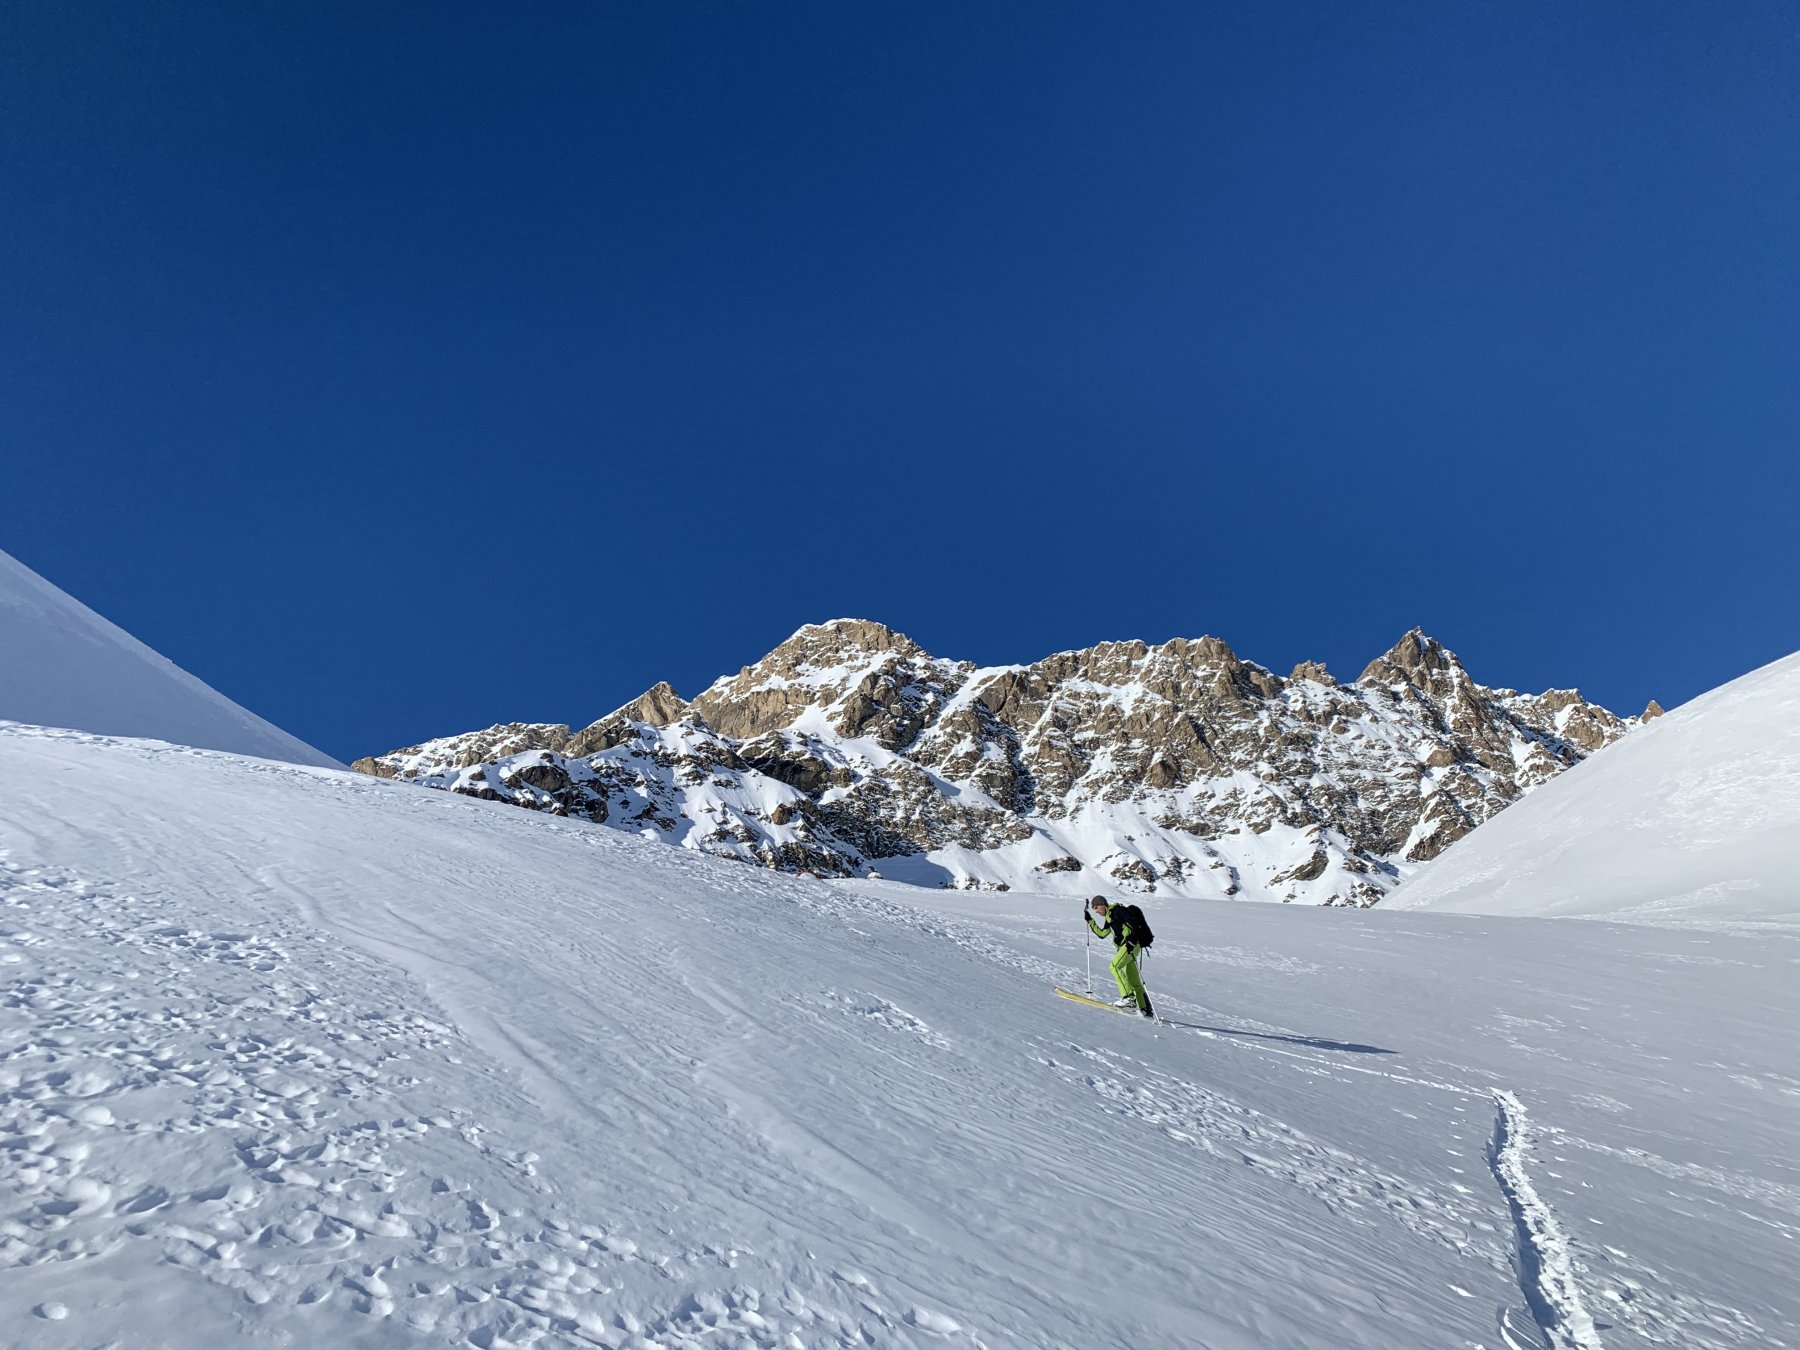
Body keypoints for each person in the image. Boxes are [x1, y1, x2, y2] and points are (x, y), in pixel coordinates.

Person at [1084, 895, 1155, 1018]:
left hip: (1130, 945)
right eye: (1094, 909)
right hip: (1130, 946)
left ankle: (1128, 998)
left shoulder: (1117, 911)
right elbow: (1102, 934)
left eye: (1096, 907)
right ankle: (1145, 1009)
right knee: (1133, 979)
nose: (1096, 911)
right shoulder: (1109, 917)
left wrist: (1131, 942)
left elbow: (1135, 924)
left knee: (1114, 966)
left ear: (1103, 904)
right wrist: (1090, 921)